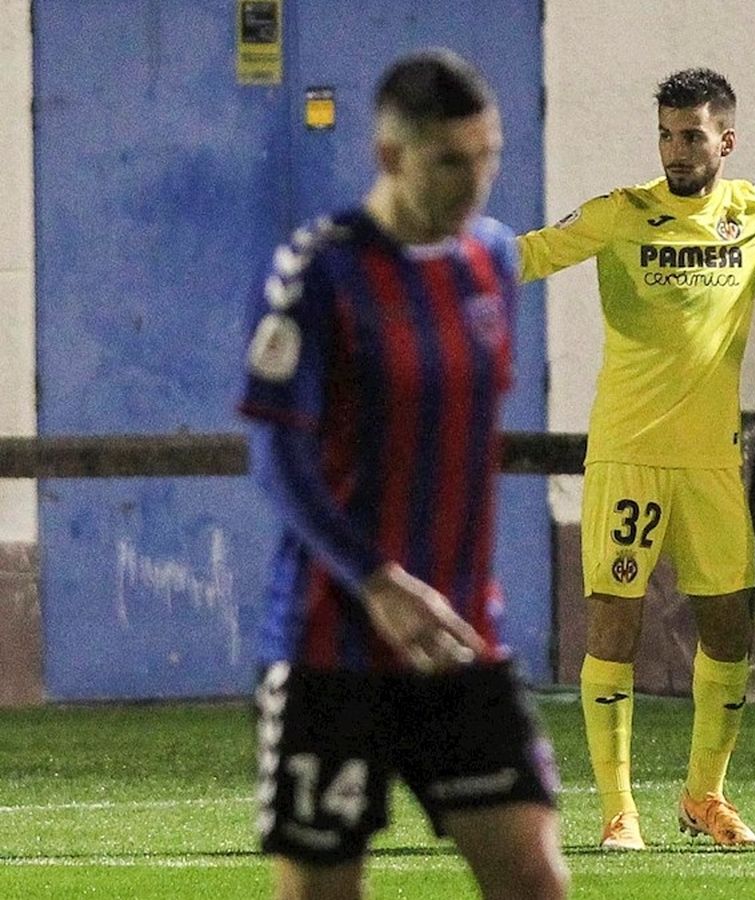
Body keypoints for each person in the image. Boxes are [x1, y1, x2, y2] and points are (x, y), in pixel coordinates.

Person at [239, 49, 568, 898]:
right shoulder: (319, 272)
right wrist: (376, 581)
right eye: (451, 161)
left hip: (458, 642)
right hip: (330, 649)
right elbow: (277, 456)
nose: (476, 180)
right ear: (391, 157)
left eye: (488, 155)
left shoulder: (492, 261)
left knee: (535, 881)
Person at [514, 68, 755, 850]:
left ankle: (704, 795)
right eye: (666, 134)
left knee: (729, 633)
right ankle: (616, 810)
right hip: (630, 453)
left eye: (691, 135)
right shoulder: (622, 214)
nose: (675, 149)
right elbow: (530, 255)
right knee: (614, 627)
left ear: (724, 141)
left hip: (710, 461)